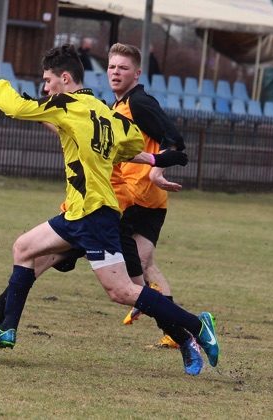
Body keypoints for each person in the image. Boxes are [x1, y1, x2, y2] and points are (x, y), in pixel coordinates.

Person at [0, 44, 219, 376]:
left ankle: (194, 327)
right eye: (111, 67)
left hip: (97, 214)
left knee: (124, 290)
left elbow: (17, 106)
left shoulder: (80, 105)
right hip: (80, 212)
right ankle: (3, 328)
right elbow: (129, 141)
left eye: (48, 81)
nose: (45, 88)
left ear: (64, 78)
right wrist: (151, 159)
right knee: (25, 249)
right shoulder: (105, 111)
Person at [108, 43, 187, 350]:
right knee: (146, 263)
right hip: (139, 198)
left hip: (140, 197)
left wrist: (156, 170)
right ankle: (175, 328)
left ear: (137, 73)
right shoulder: (117, 105)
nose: (116, 72)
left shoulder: (140, 102)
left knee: (132, 269)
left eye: (123, 68)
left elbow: (175, 141)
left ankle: (149, 303)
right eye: (112, 67)